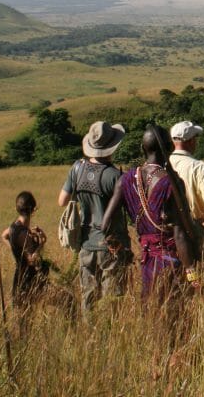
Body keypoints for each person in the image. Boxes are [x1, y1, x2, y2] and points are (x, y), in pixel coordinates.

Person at [102, 125, 200, 310]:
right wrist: (193, 275)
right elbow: (179, 235)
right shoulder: (171, 183)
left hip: (146, 260)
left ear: (142, 148)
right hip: (171, 260)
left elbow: (105, 224)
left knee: (151, 309)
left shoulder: (125, 180)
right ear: (169, 148)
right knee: (174, 314)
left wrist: (117, 247)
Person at [57, 121, 130, 317]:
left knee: (88, 298)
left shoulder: (77, 168)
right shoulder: (116, 176)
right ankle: (108, 333)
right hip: (111, 245)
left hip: (86, 243)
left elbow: (62, 201)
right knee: (111, 301)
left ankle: (89, 332)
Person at [169, 120, 204, 255]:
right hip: (193, 227)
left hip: (167, 230)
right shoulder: (199, 167)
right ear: (190, 141)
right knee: (200, 266)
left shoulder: (163, 165)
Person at [1, 191, 48, 311]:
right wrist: (42, 242)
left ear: (17, 208)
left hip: (19, 277)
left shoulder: (14, 226)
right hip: (28, 281)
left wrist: (16, 251)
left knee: (24, 317)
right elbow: (32, 260)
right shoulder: (24, 233)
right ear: (33, 209)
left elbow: (4, 236)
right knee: (69, 300)